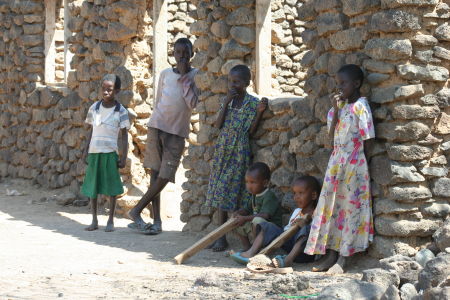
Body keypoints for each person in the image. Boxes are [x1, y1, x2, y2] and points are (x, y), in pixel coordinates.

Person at [304, 64, 375, 274]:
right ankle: (330, 254)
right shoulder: (339, 107)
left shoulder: (361, 106)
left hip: (354, 165)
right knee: (332, 209)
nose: (339, 87)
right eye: (338, 83)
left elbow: (368, 139)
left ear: (356, 84)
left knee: (350, 210)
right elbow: (330, 135)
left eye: (343, 83)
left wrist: (361, 165)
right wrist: (336, 110)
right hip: (336, 164)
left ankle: (343, 258)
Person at [127, 38, 198, 235]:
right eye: (178, 52)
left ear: (192, 54)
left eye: (186, 52)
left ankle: (137, 209)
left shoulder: (195, 75)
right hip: (157, 126)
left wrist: (185, 78)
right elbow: (158, 100)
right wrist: (154, 122)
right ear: (173, 54)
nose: (182, 56)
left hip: (177, 132)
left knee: (165, 176)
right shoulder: (165, 74)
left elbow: (193, 104)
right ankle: (156, 221)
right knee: (155, 174)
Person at [205, 65, 268, 252]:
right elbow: (218, 125)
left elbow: (251, 131)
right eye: (230, 81)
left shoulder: (251, 103)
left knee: (229, 190)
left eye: (237, 82)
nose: (232, 85)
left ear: (247, 83)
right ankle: (219, 236)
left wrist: (259, 113)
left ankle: (223, 237)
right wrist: (226, 103)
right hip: (223, 150)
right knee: (219, 192)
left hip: (238, 151)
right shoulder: (228, 102)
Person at [81, 74, 130, 232]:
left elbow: (124, 137)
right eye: (104, 89)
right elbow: (90, 131)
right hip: (95, 152)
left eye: (110, 89)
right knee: (93, 186)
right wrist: (85, 150)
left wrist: (123, 157)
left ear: (117, 91)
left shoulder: (120, 111)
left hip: (110, 153)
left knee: (112, 187)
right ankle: (94, 219)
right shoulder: (94, 108)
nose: (106, 92)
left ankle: (110, 220)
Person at [235, 176, 320, 268]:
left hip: (304, 253)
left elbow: (314, 237)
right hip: (289, 247)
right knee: (267, 226)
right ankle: (252, 252)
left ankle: (287, 260)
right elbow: (286, 232)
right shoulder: (297, 212)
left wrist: (303, 226)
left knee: (307, 230)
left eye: (301, 193)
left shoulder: (317, 214)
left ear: (313, 195)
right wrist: (293, 227)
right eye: (294, 193)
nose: (296, 197)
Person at [229, 162, 283, 263]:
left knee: (257, 220)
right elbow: (246, 210)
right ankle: (247, 248)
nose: (249, 186)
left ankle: (253, 252)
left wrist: (244, 218)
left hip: (271, 230)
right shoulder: (254, 195)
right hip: (257, 227)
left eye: (253, 182)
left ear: (265, 183)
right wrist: (238, 213)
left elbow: (265, 215)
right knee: (236, 222)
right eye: (247, 182)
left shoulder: (269, 196)